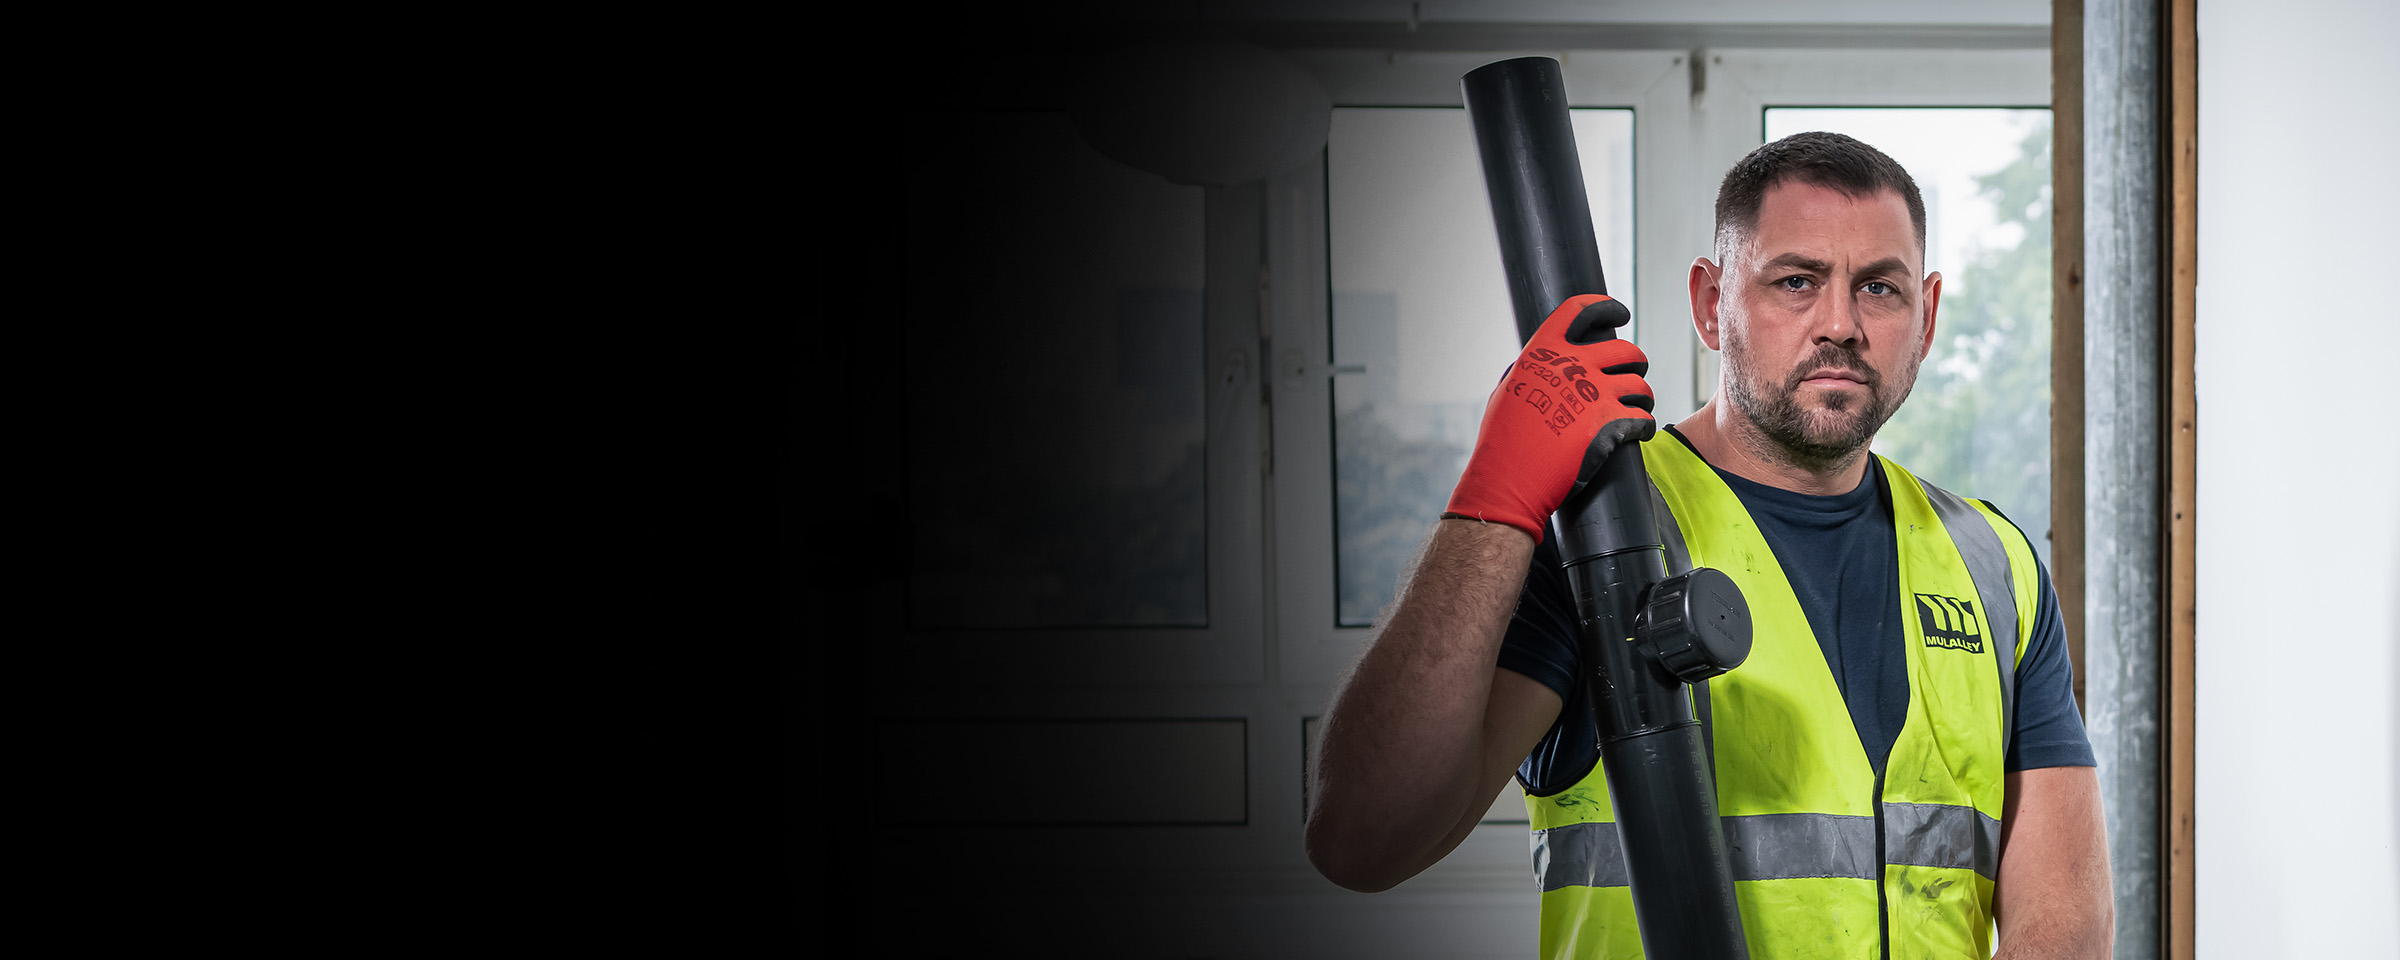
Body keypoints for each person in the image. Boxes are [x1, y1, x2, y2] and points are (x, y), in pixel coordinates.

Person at [1304, 132, 2112, 959]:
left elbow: (2065, 928)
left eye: (1879, 287)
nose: (1841, 323)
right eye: (1796, 282)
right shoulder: (1600, 537)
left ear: (1928, 315)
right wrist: (1494, 502)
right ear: (1709, 304)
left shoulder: (1993, 566)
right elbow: (1364, 839)